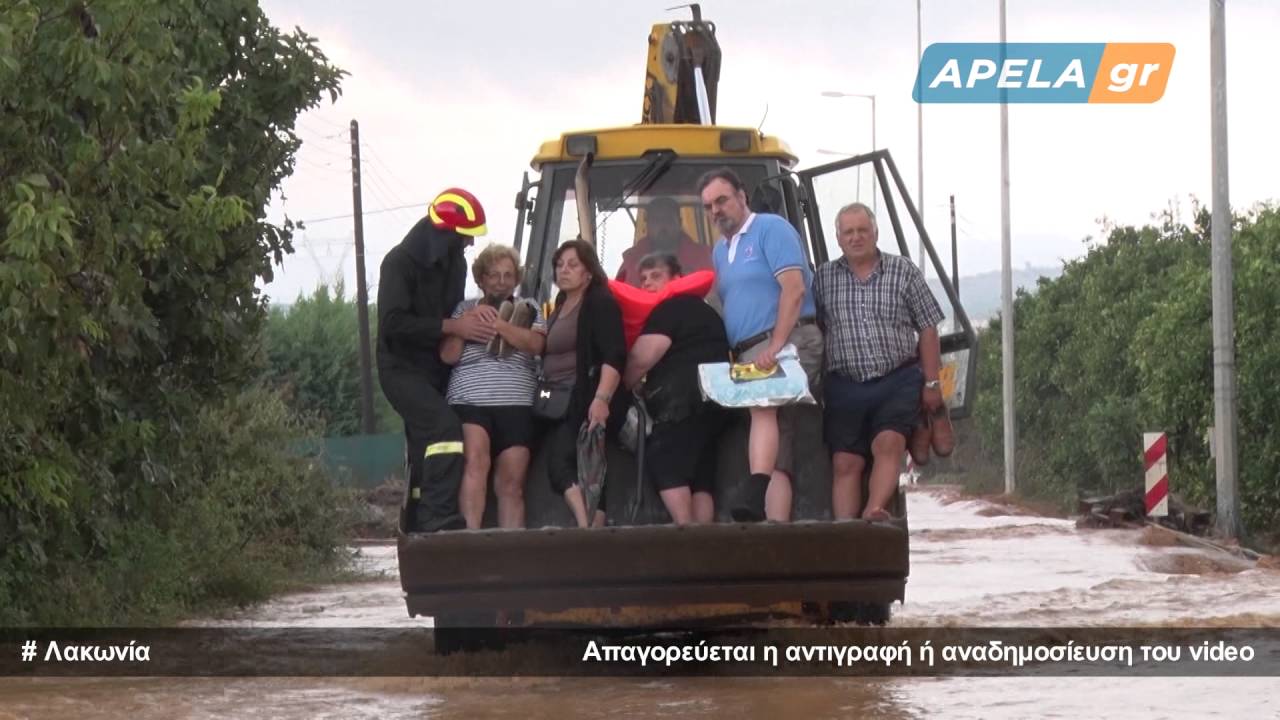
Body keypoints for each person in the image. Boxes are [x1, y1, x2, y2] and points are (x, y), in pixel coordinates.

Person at [699, 168, 824, 523]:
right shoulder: (721, 251)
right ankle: (775, 526)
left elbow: (794, 289)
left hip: (789, 339)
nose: (716, 211)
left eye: (722, 200)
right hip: (749, 350)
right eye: (709, 206)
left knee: (762, 406)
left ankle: (754, 493)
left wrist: (778, 344)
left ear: (742, 197)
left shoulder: (772, 229)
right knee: (777, 437)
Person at [812, 202, 946, 521]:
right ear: (839, 238)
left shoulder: (903, 271)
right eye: (849, 232)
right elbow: (812, 331)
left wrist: (931, 383)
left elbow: (928, 328)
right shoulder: (822, 279)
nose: (856, 237)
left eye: (862, 230)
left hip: (897, 378)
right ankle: (846, 532)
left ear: (875, 233)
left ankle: (874, 509)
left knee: (889, 443)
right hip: (844, 384)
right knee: (846, 463)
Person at [376, 187, 490, 533]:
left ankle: (415, 518)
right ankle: (437, 517)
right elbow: (393, 324)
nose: (469, 244)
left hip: (436, 368)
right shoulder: (399, 264)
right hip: (401, 369)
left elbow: (455, 309)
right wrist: (452, 326)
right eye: (465, 236)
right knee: (444, 429)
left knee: (425, 443)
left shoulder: (454, 263)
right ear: (445, 232)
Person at [440, 244, 546, 529]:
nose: (501, 281)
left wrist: (501, 326)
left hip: (517, 403)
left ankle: (513, 555)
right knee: (475, 464)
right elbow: (448, 356)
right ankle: (470, 545)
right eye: (494, 275)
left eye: (508, 275)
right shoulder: (464, 309)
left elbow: (537, 344)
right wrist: (463, 326)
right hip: (470, 401)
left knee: (511, 483)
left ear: (516, 279)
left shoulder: (530, 308)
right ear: (481, 279)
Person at [623, 252, 729, 525]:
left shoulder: (669, 309)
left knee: (664, 459)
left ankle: (685, 530)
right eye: (643, 278)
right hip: (716, 403)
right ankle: (703, 539)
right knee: (701, 475)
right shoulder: (707, 311)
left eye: (656, 276)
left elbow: (641, 358)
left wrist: (619, 387)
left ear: (677, 278)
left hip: (681, 402)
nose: (647, 283)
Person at [539, 238, 626, 527]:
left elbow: (614, 354)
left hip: (584, 395)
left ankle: (585, 528)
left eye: (572, 265)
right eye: (559, 265)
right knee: (589, 465)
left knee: (560, 464)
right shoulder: (562, 303)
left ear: (588, 271)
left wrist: (601, 400)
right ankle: (593, 530)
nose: (563, 270)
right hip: (559, 397)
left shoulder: (598, 301)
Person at [615, 196, 713, 286]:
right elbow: (619, 297)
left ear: (679, 222)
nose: (662, 226)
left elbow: (714, 297)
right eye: (656, 220)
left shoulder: (704, 257)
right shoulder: (632, 260)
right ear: (647, 225)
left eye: (667, 219)